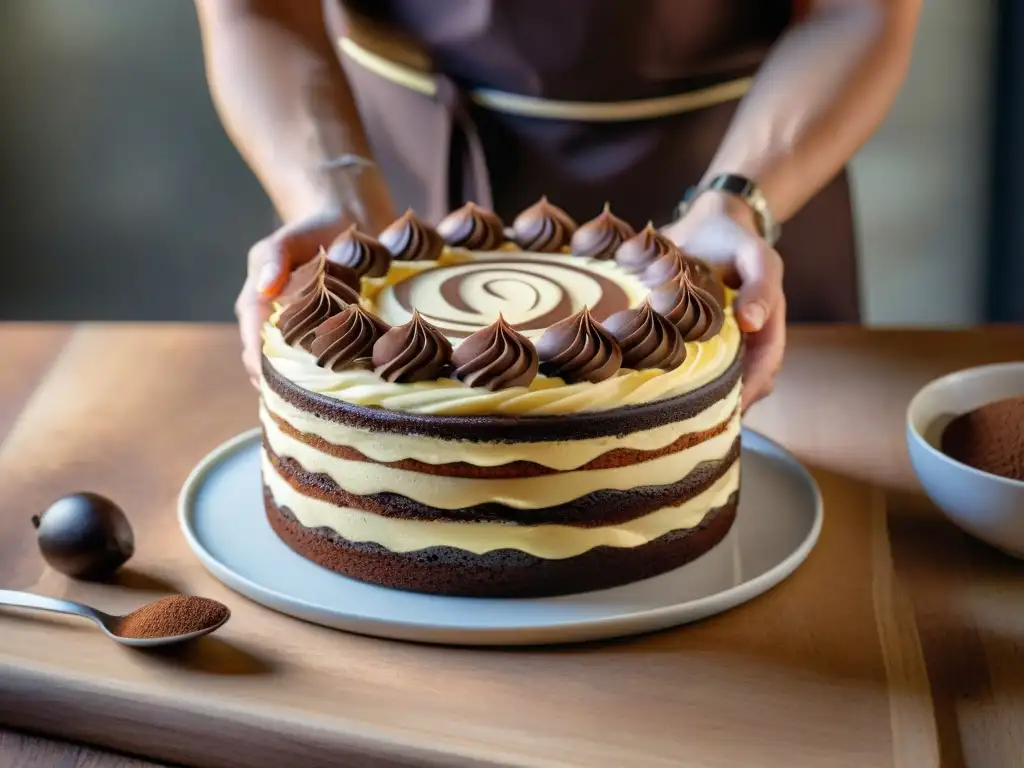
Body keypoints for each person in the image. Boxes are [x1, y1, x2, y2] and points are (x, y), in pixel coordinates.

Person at [194, 0, 920, 407]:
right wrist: (330, 187)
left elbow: (858, 11)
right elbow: (255, 10)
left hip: (734, 207)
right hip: (386, 197)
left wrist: (738, 198)